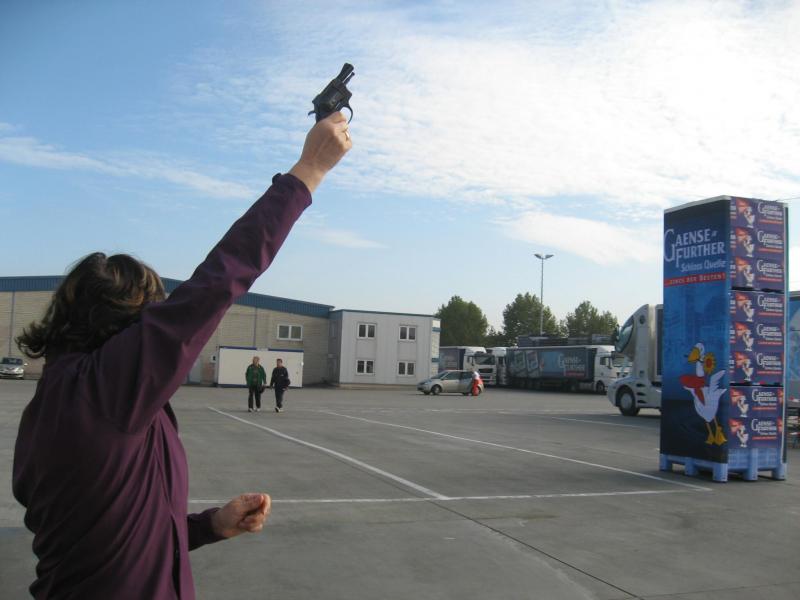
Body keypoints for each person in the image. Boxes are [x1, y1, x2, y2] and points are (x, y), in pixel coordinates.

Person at [12, 112, 352, 599]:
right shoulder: (103, 392)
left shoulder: (54, 406)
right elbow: (220, 278)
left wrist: (211, 525)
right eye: (152, 317)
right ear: (128, 324)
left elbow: (110, 536)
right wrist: (309, 170)